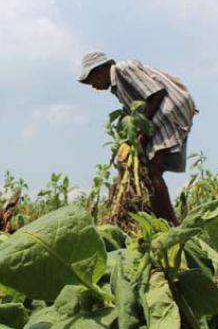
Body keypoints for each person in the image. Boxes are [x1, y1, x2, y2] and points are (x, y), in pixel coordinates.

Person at [77, 51, 197, 225]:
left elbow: (156, 94)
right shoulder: (117, 86)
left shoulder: (124, 69)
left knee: (152, 170)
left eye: (92, 80)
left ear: (101, 70)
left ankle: (171, 224)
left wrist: (142, 133)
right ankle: (160, 219)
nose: (93, 86)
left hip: (168, 109)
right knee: (151, 171)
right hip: (162, 111)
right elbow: (133, 115)